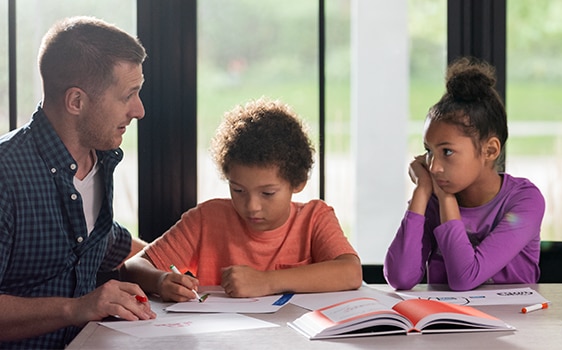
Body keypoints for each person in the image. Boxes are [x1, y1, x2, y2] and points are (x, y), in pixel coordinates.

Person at [0, 16, 156, 349]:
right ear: (76, 101)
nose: (139, 110)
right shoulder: (5, 174)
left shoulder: (101, 160)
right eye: (128, 95)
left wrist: (171, 269)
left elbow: (105, 241)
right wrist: (78, 308)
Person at [122, 98, 362, 300]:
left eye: (267, 193)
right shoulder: (207, 219)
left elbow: (350, 272)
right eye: (238, 190)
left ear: (297, 183)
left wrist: (267, 282)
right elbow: (134, 267)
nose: (251, 206)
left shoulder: (315, 219)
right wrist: (162, 280)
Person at [384, 57, 545, 291]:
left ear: (489, 150)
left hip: (516, 324)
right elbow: (400, 278)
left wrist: (445, 198)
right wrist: (421, 192)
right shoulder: (432, 199)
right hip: (447, 324)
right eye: (429, 151)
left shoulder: (525, 201)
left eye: (447, 151)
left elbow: (465, 277)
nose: (434, 166)